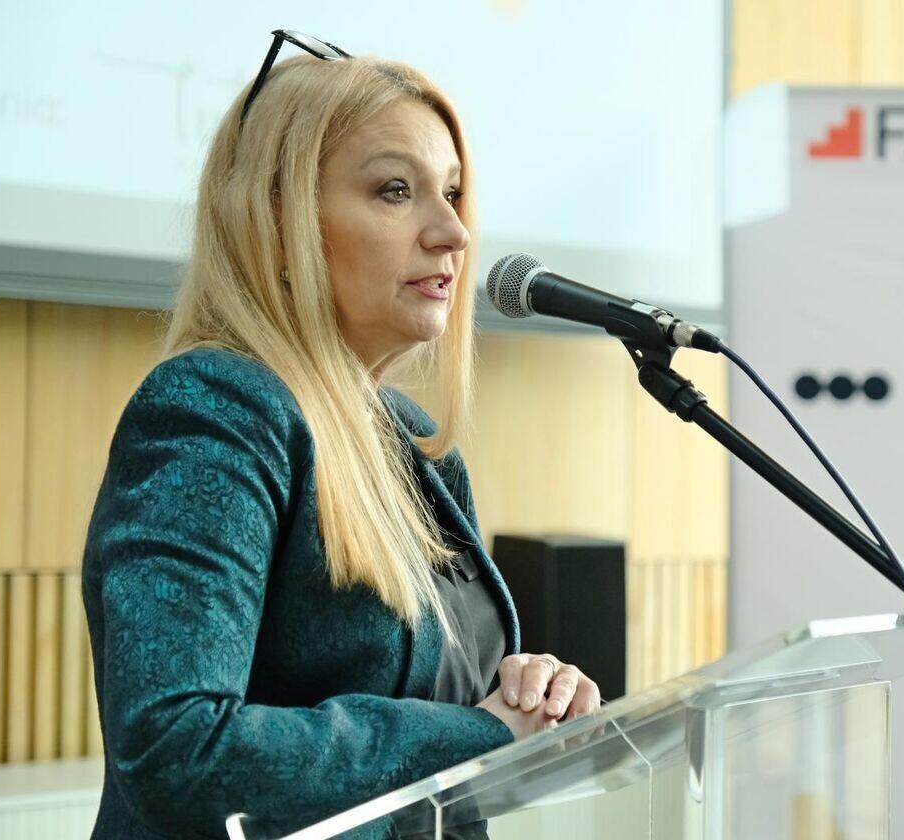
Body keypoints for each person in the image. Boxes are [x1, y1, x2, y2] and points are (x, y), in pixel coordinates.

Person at [80, 31, 600, 839]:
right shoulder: (213, 409)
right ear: (278, 223)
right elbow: (176, 747)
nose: (453, 233)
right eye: (396, 190)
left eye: (452, 193)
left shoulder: (413, 444)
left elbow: (429, 723)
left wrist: (524, 699)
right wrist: (475, 732)